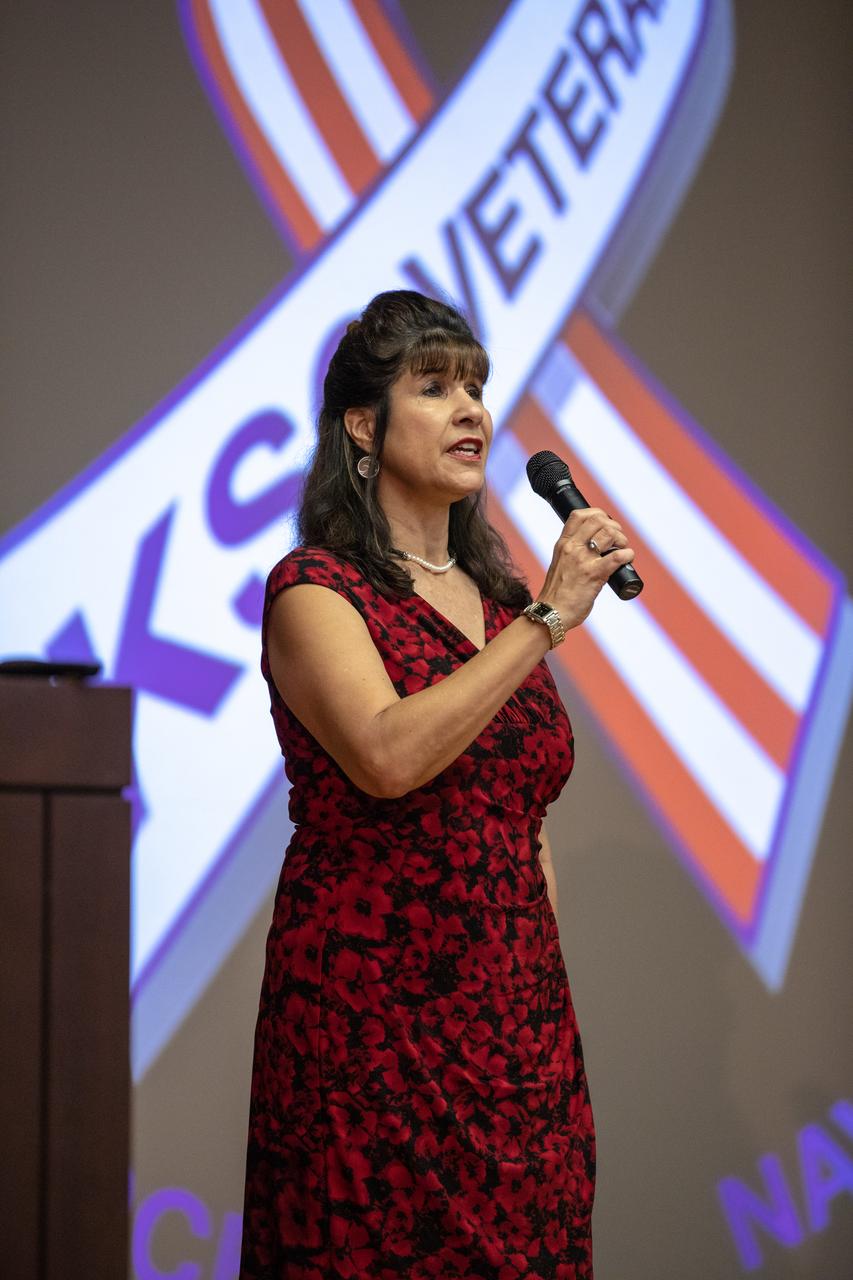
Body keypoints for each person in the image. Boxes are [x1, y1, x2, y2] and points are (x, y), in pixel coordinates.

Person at [240, 290, 634, 1280]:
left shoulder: (500, 602)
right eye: (434, 386)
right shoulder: (315, 589)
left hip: (517, 1029)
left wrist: (536, 999)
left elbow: (521, 814)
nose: (471, 410)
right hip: (372, 1025)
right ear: (363, 426)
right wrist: (548, 616)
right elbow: (386, 754)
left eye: (476, 388)